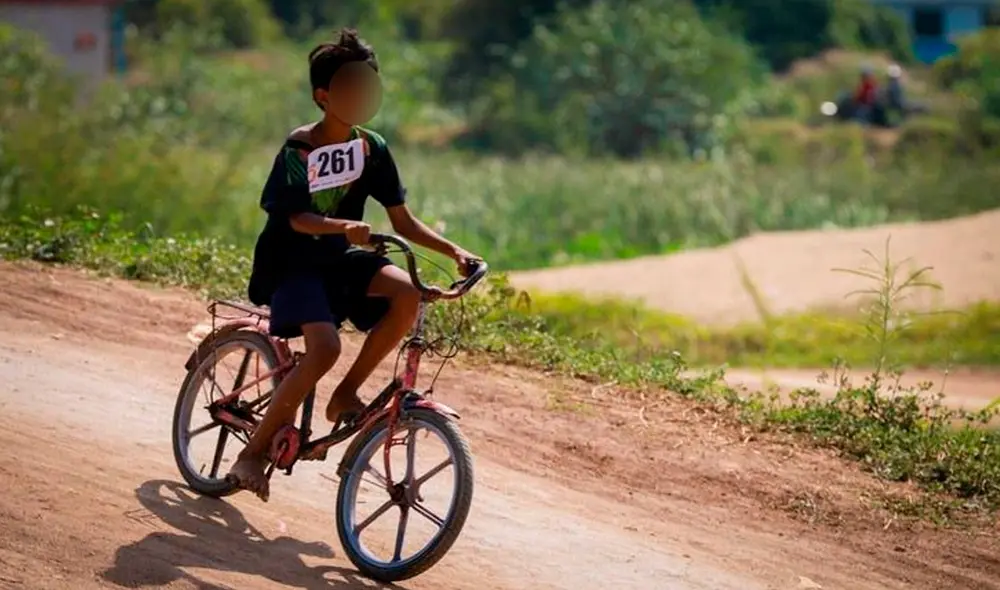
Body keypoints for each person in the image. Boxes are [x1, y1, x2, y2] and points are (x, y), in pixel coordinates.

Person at [227, 28, 481, 501]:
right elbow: (297, 219)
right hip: (293, 264)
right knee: (323, 349)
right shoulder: (299, 149)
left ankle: (344, 395)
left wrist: (454, 252)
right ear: (323, 97)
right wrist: (343, 226)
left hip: (340, 259)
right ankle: (252, 453)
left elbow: (402, 220)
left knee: (409, 292)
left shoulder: (373, 148)